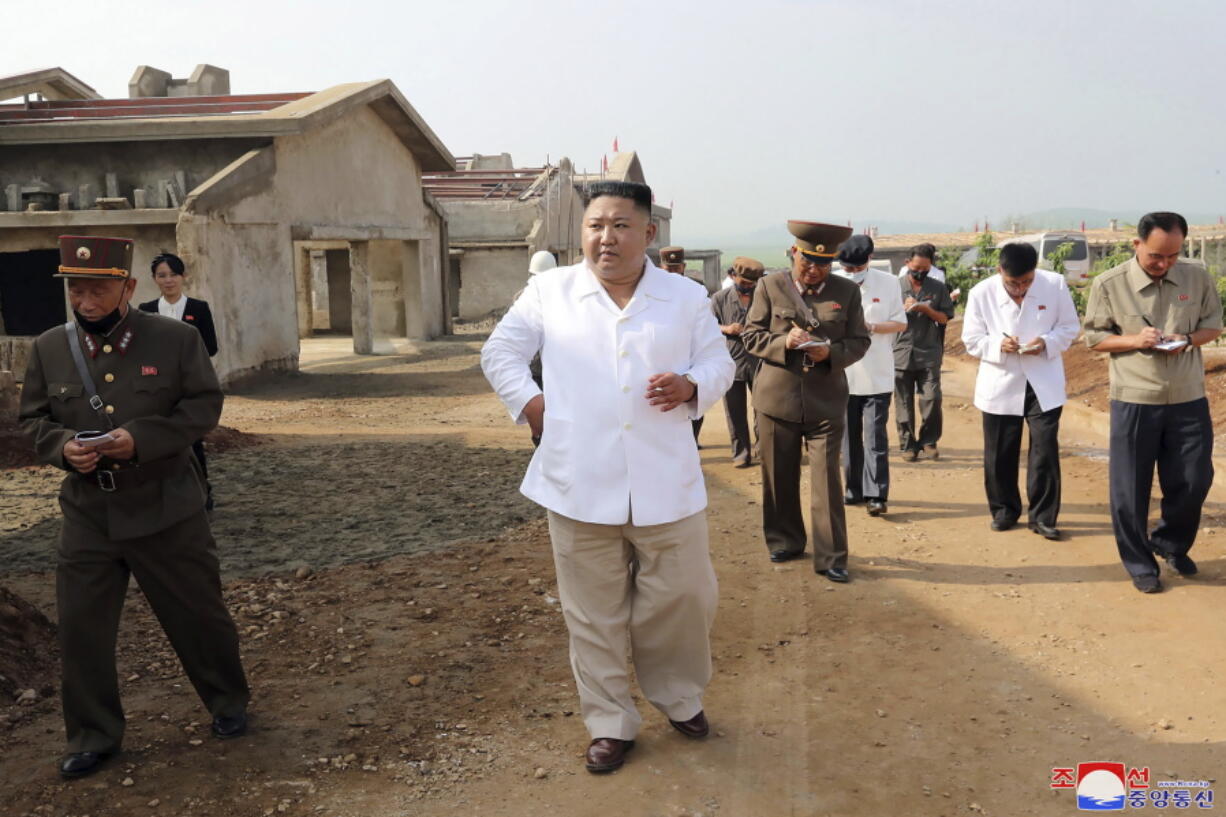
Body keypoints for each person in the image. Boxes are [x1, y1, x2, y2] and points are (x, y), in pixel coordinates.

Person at [481, 181, 734, 773]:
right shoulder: (550, 291)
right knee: (592, 613)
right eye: (596, 225)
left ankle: (678, 697)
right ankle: (610, 721)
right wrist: (533, 406)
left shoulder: (684, 296)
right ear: (582, 233)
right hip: (577, 481)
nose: (606, 237)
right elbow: (501, 353)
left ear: (649, 234)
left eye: (621, 225)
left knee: (683, 599)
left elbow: (718, 360)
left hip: (666, 481)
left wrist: (693, 385)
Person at [19, 235, 249, 779]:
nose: (86, 302)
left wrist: (141, 438)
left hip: (166, 505)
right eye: (77, 290)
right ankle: (94, 734)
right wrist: (62, 448)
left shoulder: (175, 339)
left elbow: (203, 407)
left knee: (198, 615)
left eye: (98, 289)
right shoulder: (50, 347)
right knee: (82, 630)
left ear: (128, 286)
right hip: (88, 514)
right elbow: (33, 420)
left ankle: (228, 702)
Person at [1083, 211, 1223, 593]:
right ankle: (1139, 562)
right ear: (1137, 245)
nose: (1164, 264)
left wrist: (1189, 340)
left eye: (1173, 256)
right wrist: (1135, 340)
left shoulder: (1198, 278)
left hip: (1188, 398)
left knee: (1195, 479)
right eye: (1156, 256)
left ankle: (1170, 543)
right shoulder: (1109, 284)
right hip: (1135, 399)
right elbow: (1094, 338)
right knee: (1130, 487)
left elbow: (1213, 325)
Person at [742, 220, 870, 582]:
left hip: (826, 402)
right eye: (807, 263)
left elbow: (860, 341)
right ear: (794, 253)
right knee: (778, 476)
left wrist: (829, 353)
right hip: (776, 399)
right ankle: (785, 539)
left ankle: (831, 557)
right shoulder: (769, 286)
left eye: (823, 264)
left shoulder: (846, 292)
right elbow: (752, 336)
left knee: (827, 482)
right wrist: (785, 342)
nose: (814, 271)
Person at [961, 242, 1079, 538]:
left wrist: (1045, 342)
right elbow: (971, 339)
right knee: (1000, 450)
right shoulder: (981, 293)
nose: (1020, 289)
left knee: (1045, 449)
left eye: (1027, 281)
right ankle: (1004, 510)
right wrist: (996, 345)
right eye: (1013, 283)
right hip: (1001, 380)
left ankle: (1043, 517)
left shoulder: (1055, 285)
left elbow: (1069, 327)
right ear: (1000, 270)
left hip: (1043, 379)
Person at [138, 252, 218, 510]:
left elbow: (211, 347)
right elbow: (142, 349)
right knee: (158, 439)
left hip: (189, 386)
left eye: (174, 274)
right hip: (157, 387)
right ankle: (163, 495)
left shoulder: (198, 309)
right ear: (154, 279)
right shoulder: (146, 312)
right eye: (162, 275)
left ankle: (202, 491)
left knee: (192, 438)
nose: (168, 280)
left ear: (183, 277)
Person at [834, 235, 906, 516]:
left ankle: (876, 493)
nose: (852, 274)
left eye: (857, 268)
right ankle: (853, 489)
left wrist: (872, 327)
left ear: (869, 260)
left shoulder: (888, 283)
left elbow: (901, 322)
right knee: (849, 436)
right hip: (844, 372)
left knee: (875, 436)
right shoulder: (834, 284)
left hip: (877, 372)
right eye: (848, 269)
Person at [894, 243, 955, 461]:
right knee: (903, 402)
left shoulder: (938, 288)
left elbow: (945, 318)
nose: (920, 272)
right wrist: (899, 311)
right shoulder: (894, 287)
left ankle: (929, 441)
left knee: (931, 398)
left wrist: (925, 309)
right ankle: (908, 445)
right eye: (916, 267)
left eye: (925, 269)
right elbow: (882, 319)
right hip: (900, 352)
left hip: (929, 352)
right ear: (907, 263)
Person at [709, 256, 765, 467]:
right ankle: (741, 453)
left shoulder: (763, 297)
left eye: (752, 284)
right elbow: (707, 327)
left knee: (764, 408)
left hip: (760, 360)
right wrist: (726, 329)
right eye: (743, 283)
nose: (747, 287)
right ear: (733, 276)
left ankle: (764, 450)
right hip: (731, 360)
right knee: (734, 410)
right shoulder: (719, 299)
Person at [660, 245, 708, 446]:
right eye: (668, 268)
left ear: (683, 266)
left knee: (694, 400)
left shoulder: (696, 289)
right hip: (663, 353)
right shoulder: (650, 290)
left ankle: (692, 441)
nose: (672, 271)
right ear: (661, 267)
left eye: (676, 267)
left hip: (689, 352)